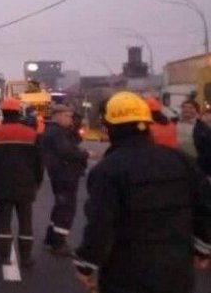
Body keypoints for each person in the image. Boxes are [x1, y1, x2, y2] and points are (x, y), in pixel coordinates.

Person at [74, 92, 211, 293]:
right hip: (176, 270)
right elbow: (204, 206)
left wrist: (86, 265)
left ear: (110, 127)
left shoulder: (107, 170)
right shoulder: (181, 161)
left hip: (126, 272)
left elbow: (100, 224)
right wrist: (203, 248)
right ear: (147, 124)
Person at [0, 98, 43, 267]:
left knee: (4, 220)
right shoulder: (31, 134)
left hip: (2, 184)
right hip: (26, 185)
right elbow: (39, 162)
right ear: (19, 113)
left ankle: (4, 256)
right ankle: (26, 258)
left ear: (3, 113)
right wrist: (37, 182)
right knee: (26, 221)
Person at [40, 104, 89, 256]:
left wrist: (76, 126)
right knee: (67, 209)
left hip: (61, 174)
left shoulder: (55, 131)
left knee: (60, 207)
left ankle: (51, 238)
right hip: (64, 175)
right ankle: (58, 243)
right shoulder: (56, 133)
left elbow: (74, 141)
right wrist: (85, 155)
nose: (70, 119)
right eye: (67, 116)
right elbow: (66, 150)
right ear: (58, 115)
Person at [178, 99, 211, 176]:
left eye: (190, 108)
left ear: (196, 111)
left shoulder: (203, 128)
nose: (187, 110)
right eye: (184, 107)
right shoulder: (173, 123)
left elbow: (207, 150)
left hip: (196, 165)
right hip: (177, 163)